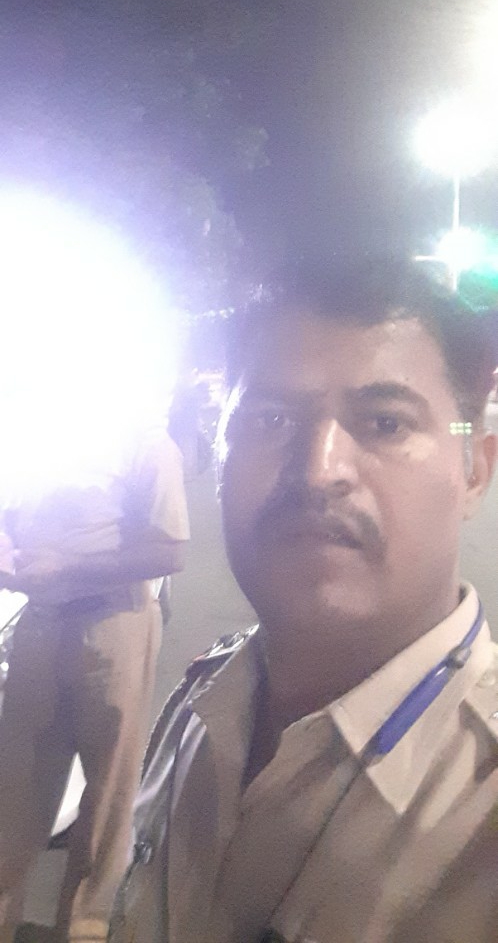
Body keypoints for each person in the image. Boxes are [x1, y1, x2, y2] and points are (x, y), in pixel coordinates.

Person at [110, 257, 498, 943]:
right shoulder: (200, 702)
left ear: (475, 469)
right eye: (270, 419)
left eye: (385, 423)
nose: (319, 471)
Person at [0, 426, 189, 943]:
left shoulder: (145, 442)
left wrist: (68, 566)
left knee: (109, 790)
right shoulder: (39, 435)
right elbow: (8, 515)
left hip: (114, 624)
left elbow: (171, 551)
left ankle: (84, 926)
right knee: (15, 786)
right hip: (40, 622)